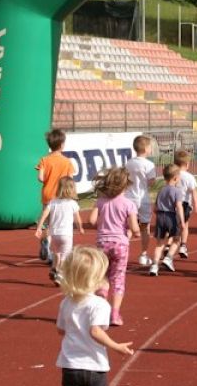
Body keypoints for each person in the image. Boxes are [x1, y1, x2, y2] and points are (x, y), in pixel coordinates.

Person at [55, 246, 135, 386]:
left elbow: (60, 330)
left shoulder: (66, 302)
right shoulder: (100, 304)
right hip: (95, 366)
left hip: (70, 365)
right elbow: (96, 331)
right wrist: (116, 346)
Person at [87, 166, 138, 327]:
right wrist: (134, 232)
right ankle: (115, 313)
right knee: (118, 278)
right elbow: (134, 227)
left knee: (102, 275)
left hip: (102, 243)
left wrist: (102, 222)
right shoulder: (129, 204)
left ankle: (102, 296)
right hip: (120, 244)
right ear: (125, 186)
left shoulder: (101, 202)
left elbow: (91, 221)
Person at [36, 129, 75, 264]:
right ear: (62, 145)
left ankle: (46, 244)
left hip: (47, 195)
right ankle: (57, 252)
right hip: (61, 196)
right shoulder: (67, 162)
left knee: (48, 223)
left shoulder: (44, 160)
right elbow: (70, 179)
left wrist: (49, 178)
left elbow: (40, 178)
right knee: (60, 224)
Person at [35, 177, 84, 284]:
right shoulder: (73, 203)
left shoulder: (53, 202)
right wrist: (80, 228)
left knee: (57, 253)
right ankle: (59, 274)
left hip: (54, 234)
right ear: (72, 189)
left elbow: (44, 214)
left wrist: (39, 227)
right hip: (66, 235)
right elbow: (78, 219)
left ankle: (55, 268)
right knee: (65, 255)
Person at [125, 135, 159, 267]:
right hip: (143, 198)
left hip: (129, 197)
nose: (151, 149)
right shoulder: (149, 164)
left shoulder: (128, 163)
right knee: (145, 227)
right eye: (150, 147)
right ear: (145, 149)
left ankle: (123, 250)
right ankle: (143, 254)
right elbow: (151, 181)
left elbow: (125, 178)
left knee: (128, 227)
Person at [149, 164, 185, 276]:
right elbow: (179, 207)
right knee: (177, 239)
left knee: (159, 244)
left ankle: (154, 265)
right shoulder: (177, 191)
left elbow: (154, 208)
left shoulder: (161, 190)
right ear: (175, 178)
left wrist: (160, 215)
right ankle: (168, 258)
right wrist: (182, 221)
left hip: (160, 217)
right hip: (171, 216)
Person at [173, 150, 197, 260]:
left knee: (173, 225)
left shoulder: (173, 175)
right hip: (184, 204)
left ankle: (168, 245)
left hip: (173, 204)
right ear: (187, 164)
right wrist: (196, 204)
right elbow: (194, 191)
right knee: (185, 225)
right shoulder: (189, 177)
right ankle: (183, 245)